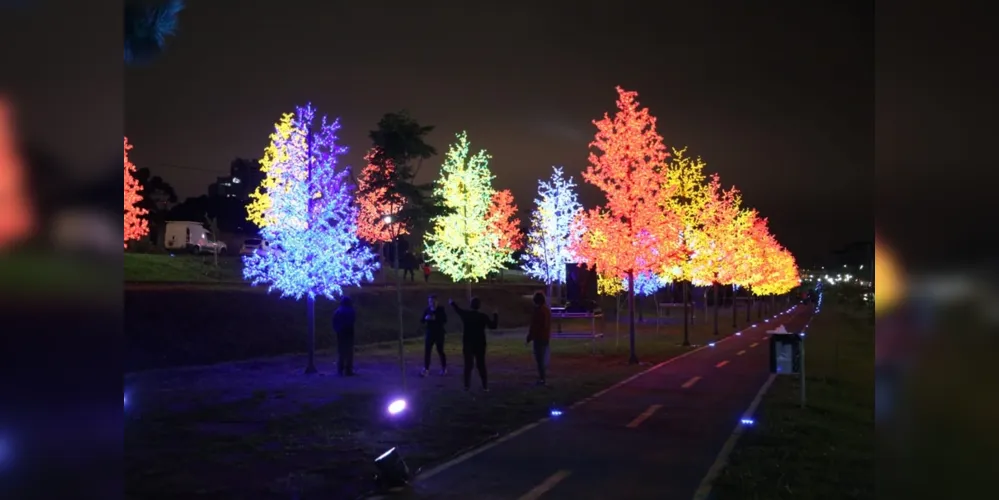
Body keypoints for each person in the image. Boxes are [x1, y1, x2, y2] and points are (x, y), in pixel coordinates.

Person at [449, 297, 498, 391]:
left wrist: (452, 303)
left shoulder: (466, 315)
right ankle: (485, 386)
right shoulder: (483, 316)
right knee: (481, 365)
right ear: (479, 306)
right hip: (480, 343)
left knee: (468, 365)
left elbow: (458, 310)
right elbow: (493, 326)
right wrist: (495, 314)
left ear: (470, 305)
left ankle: (466, 385)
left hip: (468, 342)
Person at [526, 292, 552, 385]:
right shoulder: (546, 310)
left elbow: (535, 325)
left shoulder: (539, 311)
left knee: (539, 358)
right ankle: (542, 376)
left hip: (539, 337)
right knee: (542, 357)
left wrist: (530, 335)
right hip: (545, 336)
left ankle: (542, 378)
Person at [420, 295, 448, 376]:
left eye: (433, 301)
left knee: (440, 351)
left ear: (437, 302)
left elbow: (444, 320)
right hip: (430, 333)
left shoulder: (441, 309)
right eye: (430, 302)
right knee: (427, 351)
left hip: (439, 333)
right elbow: (421, 320)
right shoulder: (427, 310)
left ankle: (444, 368)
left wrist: (435, 318)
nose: (432, 303)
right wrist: (426, 318)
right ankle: (426, 368)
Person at [332, 295, 357, 376]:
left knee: (341, 351)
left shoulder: (338, 311)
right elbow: (353, 320)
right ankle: (348, 369)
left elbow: (334, 322)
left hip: (340, 332)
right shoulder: (351, 310)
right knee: (349, 351)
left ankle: (340, 369)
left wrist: (337, 329)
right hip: (349, 331)